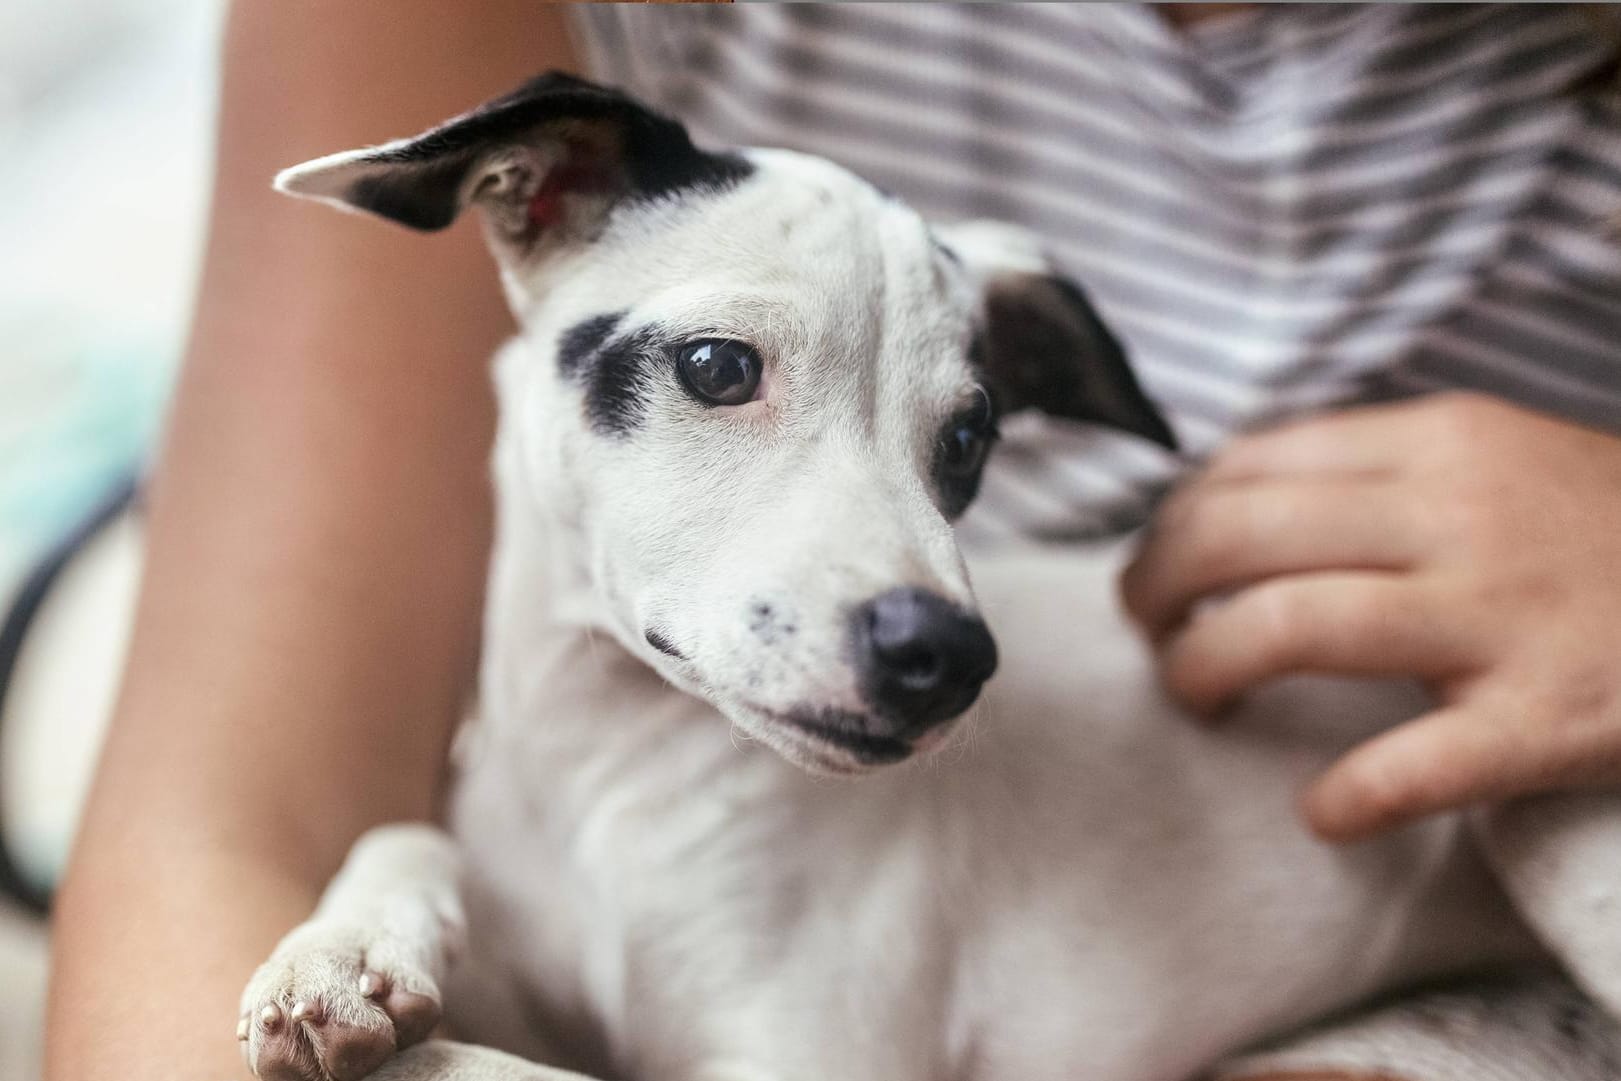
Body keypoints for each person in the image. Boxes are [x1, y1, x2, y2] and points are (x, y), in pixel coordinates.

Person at [44, 4, 1621, 1080]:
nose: (927, 600)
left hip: (1502, 776)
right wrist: (391, 885)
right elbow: (231, 815)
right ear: (519, 202)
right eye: (722, 373)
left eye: (953, 447)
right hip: (235, 588)